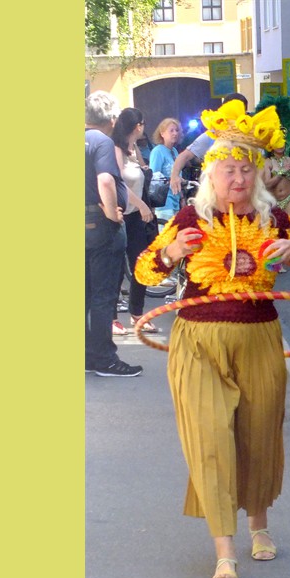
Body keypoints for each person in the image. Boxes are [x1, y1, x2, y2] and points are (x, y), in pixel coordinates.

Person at [134, 99, 290, 578]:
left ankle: (258, 523)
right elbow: (143, 268)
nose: (237, 179)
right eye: (227, 170)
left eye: (246, 170)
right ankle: (225, 550)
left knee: (258, 434)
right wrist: (173, 253)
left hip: (259, 335)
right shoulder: (188, 220)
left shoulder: (274, 221)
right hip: (197, 339)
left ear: (258, 176)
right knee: (209, 438)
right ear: (212, 177)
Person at [84, 91, 143, 377]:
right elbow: (106, 179)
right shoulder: (102, 142)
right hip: (101, 227)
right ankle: (103, 359)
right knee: (104, 294)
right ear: (111, 118)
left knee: (83, 294)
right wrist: (111, 214)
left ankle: (85, 355)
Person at [111, 107, 158, 335]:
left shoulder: (134, 150)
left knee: (141, 264)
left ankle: (137, 314)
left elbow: (143, 175)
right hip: (119, 217)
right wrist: (140, 204)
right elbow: (118, 183)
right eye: (143, 124)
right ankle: (112, 318)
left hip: (138, 218)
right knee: (117, 269)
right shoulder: (117, 149)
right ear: (137, 125)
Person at [169, 92, 249, 195]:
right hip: (216, 196)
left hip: (245, 195)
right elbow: (184, 156)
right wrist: (174, 176)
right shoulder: (212, 135)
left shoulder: (251, 137)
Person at [149, 117, 184, 221]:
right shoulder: (158, 151)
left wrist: (182, 197)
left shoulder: (174, 151)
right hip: (164, 203)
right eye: (171, 130)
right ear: (162, 133)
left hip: (175, 200)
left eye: (177, 130)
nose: (175, 133)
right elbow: (154, 177)